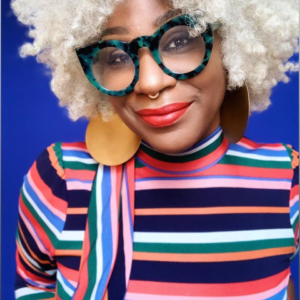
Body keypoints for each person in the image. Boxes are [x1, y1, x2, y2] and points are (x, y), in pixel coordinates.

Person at [11, 0, 299, 299]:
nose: (150, 83)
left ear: (233, 45)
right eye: (116, 57)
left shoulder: (287, 177)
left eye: (180, 40)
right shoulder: (60, 179)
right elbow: (33, 286)